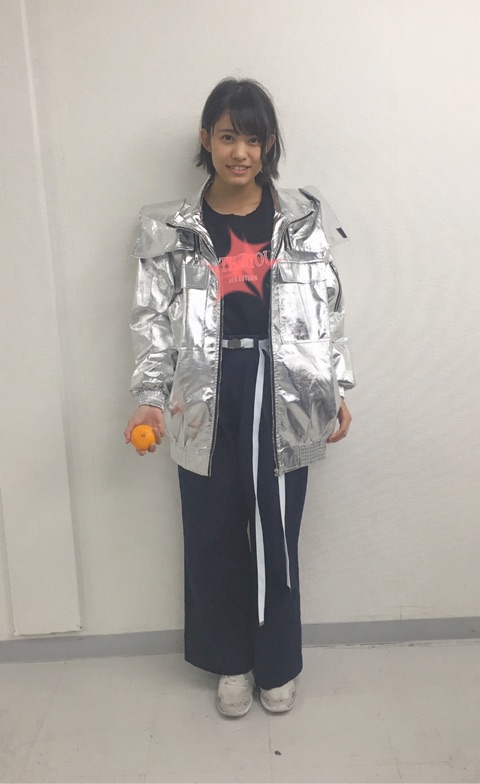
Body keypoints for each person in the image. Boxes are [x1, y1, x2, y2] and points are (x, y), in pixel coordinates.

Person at [124, 77, 355, 718]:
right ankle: (231, 660)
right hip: (204, 395)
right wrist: (149, 396)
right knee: (213, 527)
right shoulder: (171, 229)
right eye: (228, 137)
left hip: (286, 392)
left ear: (269, 144)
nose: (240, 152)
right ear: (207, 139)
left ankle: (277, 663)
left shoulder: (301, 219)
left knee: (277, 530)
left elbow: (329, 310)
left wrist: (336, 384)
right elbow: (151, 321)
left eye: (253, 139)